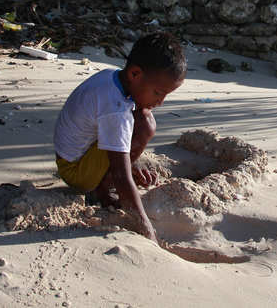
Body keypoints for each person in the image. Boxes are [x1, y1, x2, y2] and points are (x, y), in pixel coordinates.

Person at [53, 32, 186, 244]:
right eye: (158, 93)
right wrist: (146, 228)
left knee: (140, 118)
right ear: (135, 74)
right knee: (145, 125)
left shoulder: (111, 77)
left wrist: (129, 165)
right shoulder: (116, 109)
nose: (161, 102)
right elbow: (121, 175)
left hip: (71, 155)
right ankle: (102, 190)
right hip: (76, 172)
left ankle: (103, 177)